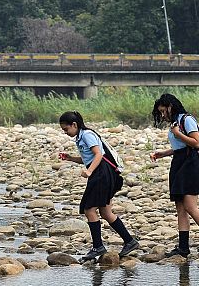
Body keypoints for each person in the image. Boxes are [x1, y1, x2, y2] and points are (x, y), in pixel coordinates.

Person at [58, 111, 139, 263]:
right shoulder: (81, 137)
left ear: (74, 125)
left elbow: (98, 155)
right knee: (106, 211)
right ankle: (130, 241)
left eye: (66, 129)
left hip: (101, 174)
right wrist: (70, 158)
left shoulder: (87, 134)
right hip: (102, 172)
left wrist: (89, 171)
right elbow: (88, 159)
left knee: (89, 209)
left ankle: (98, 246)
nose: (65, 132)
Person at [150, 93, 199, 257]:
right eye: (159, 112)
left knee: (190, 206)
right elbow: (180, 147)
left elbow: (195, 143)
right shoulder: (175, 123)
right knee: (180, 207)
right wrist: (163, 153)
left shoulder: (186, 120)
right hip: (180, 162)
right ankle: (183, 247)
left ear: (170, 107)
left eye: (163, 111)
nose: (162, 115)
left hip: (191, 164)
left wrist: (178, 133)